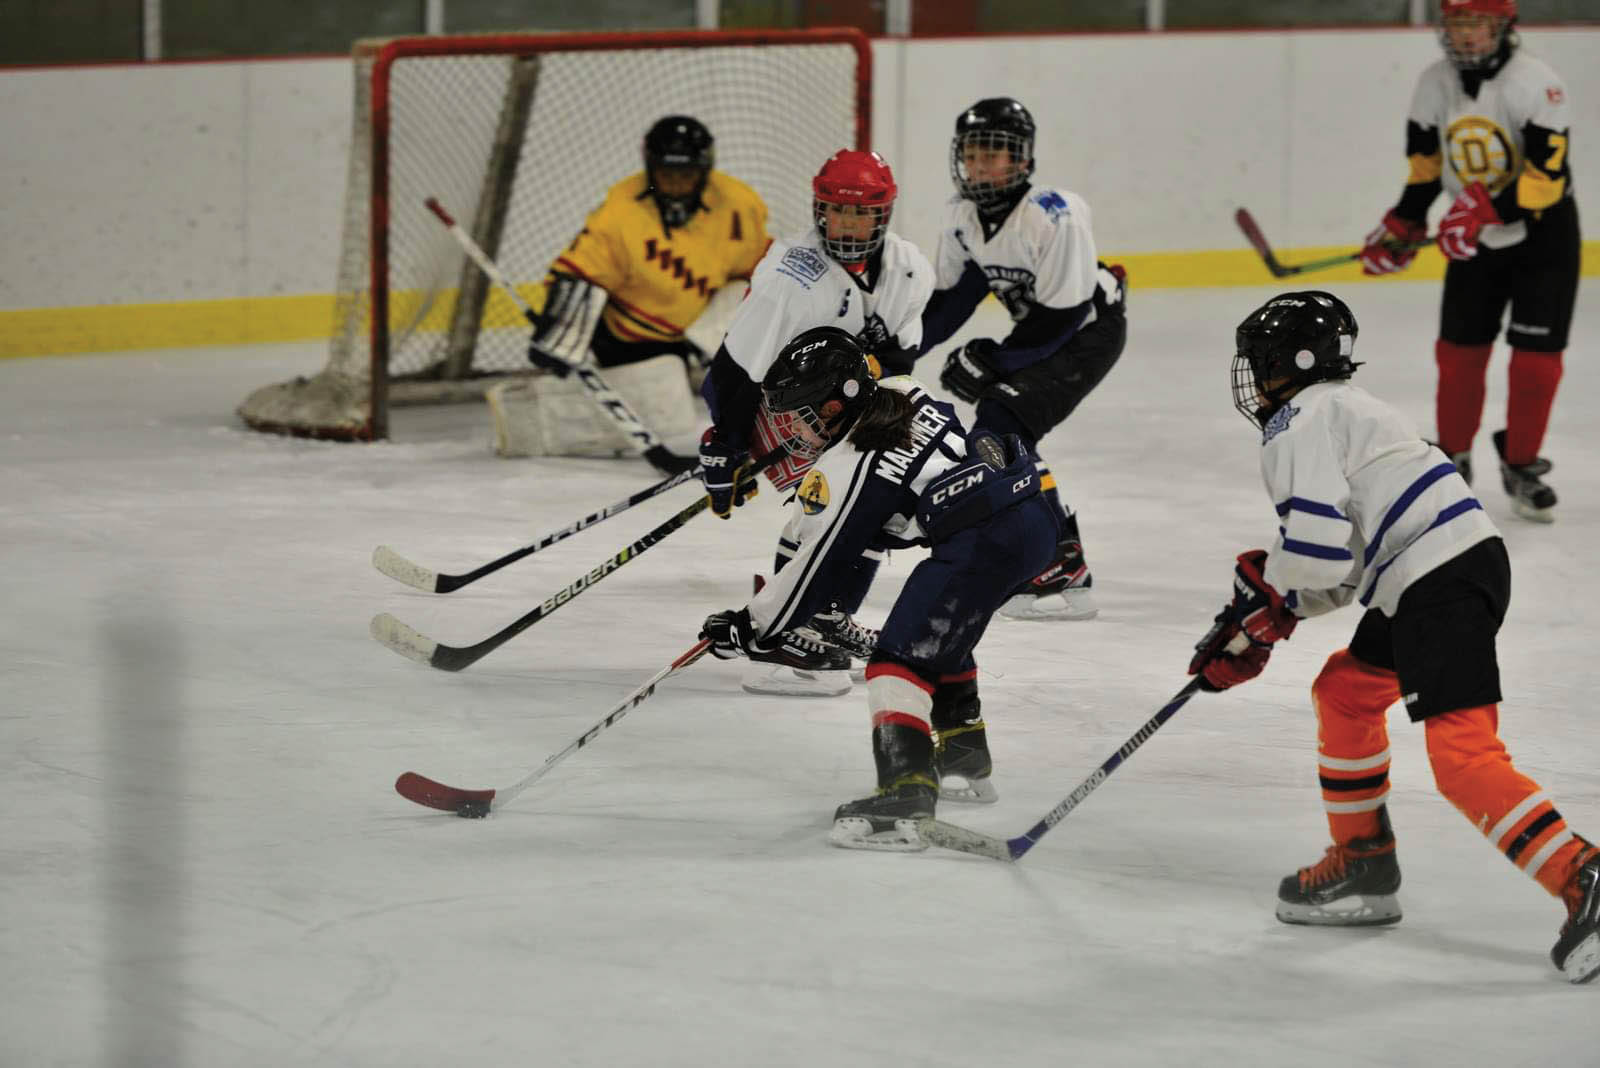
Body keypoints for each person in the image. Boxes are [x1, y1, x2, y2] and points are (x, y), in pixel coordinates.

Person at [1188, 290, 1598, 984]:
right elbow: (1343, 564)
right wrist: (1278, 607)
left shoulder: (1297, 420)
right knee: (1346, 692)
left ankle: (1581, 874)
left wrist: (1271, 600)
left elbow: (1314, 555)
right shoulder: (1352, 408)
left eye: (1260, 362)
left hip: (1437, 578)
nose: (1254, 377)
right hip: (1443, 567)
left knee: (1462, 756)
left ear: (1291, 364)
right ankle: (1365, 864)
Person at [700, 327, 1060, 844]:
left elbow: (817, 566)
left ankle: (905, 796)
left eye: (804, 413)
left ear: (838, 401)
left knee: (899, 659)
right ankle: (963, 758)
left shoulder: (856, 464)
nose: (797, 430)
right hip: (1032, 519)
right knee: (940, 633)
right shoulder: (903, 389)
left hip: (988, 539)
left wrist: (750, 628)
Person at [697, 149, 935, 695]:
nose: (848, 225)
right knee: (844, 507)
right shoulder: (790, 276)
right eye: (836, 211)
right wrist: (727, 444)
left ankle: (809, 623)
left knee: (874, 505)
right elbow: (736, 369)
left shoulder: (907, 268)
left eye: (861, 214)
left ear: (884, 214)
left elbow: (901, 363)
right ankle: (797, 631)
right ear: (818, 208)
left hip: (845, 411)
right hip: (777, 409)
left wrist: (867, 373)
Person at [1358, 0, 1578, 523]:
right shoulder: (1433, 83)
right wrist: (1404, 224)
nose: (1466, 35)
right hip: (1472, 237)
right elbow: (1426, 168)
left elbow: (1547, 180)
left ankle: (1522, 463)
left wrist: (1485, 211)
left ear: (1502, 28)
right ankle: (1451, 459)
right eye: (1457, 24)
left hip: (1542, 238)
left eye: (1476, 24)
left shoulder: (1538, 84)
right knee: (1458, 354)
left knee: (1535, 364)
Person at [918, 97, 1127, 621]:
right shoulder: (963, 216)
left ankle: (1058, 558)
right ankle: (1057, 555)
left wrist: (994, 361)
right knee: (999, 428)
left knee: (998, 422)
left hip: (1089, 334)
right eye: (973, 153)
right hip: (1047, 333)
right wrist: (889, 354)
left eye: (997, 153)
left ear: (1023, 160)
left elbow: (1062, 317)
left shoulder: (1054, 214)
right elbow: (950, 304)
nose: (982, 165)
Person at [501, 115, 771, 472]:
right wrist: (562, 325)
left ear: (704, 170)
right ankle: (528, 417)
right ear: (650, 168)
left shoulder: (737, 203)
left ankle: (761, 403)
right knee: (669, 403)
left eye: (685, 176)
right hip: (630, 335)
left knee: (752, 293)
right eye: (666, 175)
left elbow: (760, 266)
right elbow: (581, 269)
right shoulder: (621, 210)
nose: (675, 186)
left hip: (694, 325)